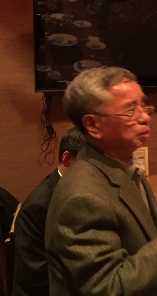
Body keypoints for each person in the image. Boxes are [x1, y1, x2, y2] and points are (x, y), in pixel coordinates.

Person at [44, 67, 157, 295]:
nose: (145, 117)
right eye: (130, 111)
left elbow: (121, 223)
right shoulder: (81, 197)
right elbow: (108, 287)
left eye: (143, 107)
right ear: (93, 125)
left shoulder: (121, 165)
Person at [12, 126, 85, 296]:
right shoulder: (38, 207)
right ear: (68, 159)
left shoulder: (74, 191)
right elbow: (36, 273)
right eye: (88, 165)